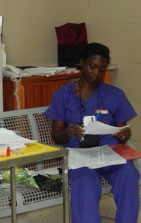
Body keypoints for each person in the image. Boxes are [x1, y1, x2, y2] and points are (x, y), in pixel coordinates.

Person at [45, 42, 140, 223]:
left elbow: (123, 129)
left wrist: (124, 134)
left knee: (128, 174)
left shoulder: (114, 94)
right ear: (81, 62)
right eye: (92, 67)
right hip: (81, 154)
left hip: (109, 151)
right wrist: (69, 132)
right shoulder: (62, 95)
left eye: (102, 69)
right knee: (86, 186)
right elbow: (56, 136)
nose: (96, 73)